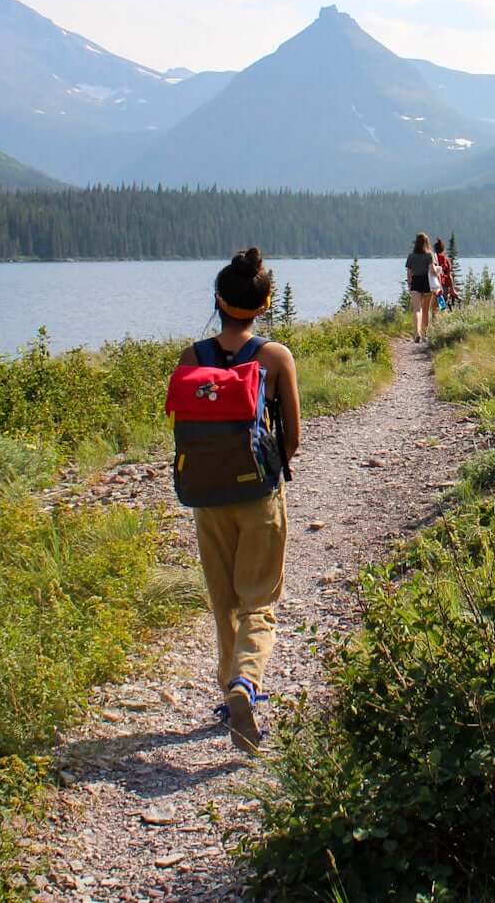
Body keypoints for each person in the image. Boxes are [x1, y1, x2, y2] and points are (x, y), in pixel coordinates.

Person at [178, 247, 302, 753]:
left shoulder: (193, 358)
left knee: (223, 598)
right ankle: (245, 684)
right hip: (258, 494)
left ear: (219, 300)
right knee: (260, 599)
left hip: (207, 496)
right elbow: (292, 435)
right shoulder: (274, 357)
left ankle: (229, 681)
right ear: (264, 302)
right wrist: (272, 471)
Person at [405, 232, 436, 341]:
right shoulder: (429, 255)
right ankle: (424, 334)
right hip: (427, 283)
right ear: (426, 243)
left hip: (415, 282)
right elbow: (433, 270)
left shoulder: (411, 256)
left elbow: (409, 273)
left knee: (417, 310)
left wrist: (410, 285)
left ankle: (417, 332)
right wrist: (438, 271)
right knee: (426, 310)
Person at [433, 236, 459, 310]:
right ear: (443, 249)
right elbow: (449, 275)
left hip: (434, 285)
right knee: (442, 305)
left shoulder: (432, 259)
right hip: (443, 285)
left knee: (434, 306)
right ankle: (442, 316)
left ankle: (434, 318)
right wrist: (452, 289)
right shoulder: (446, 260)